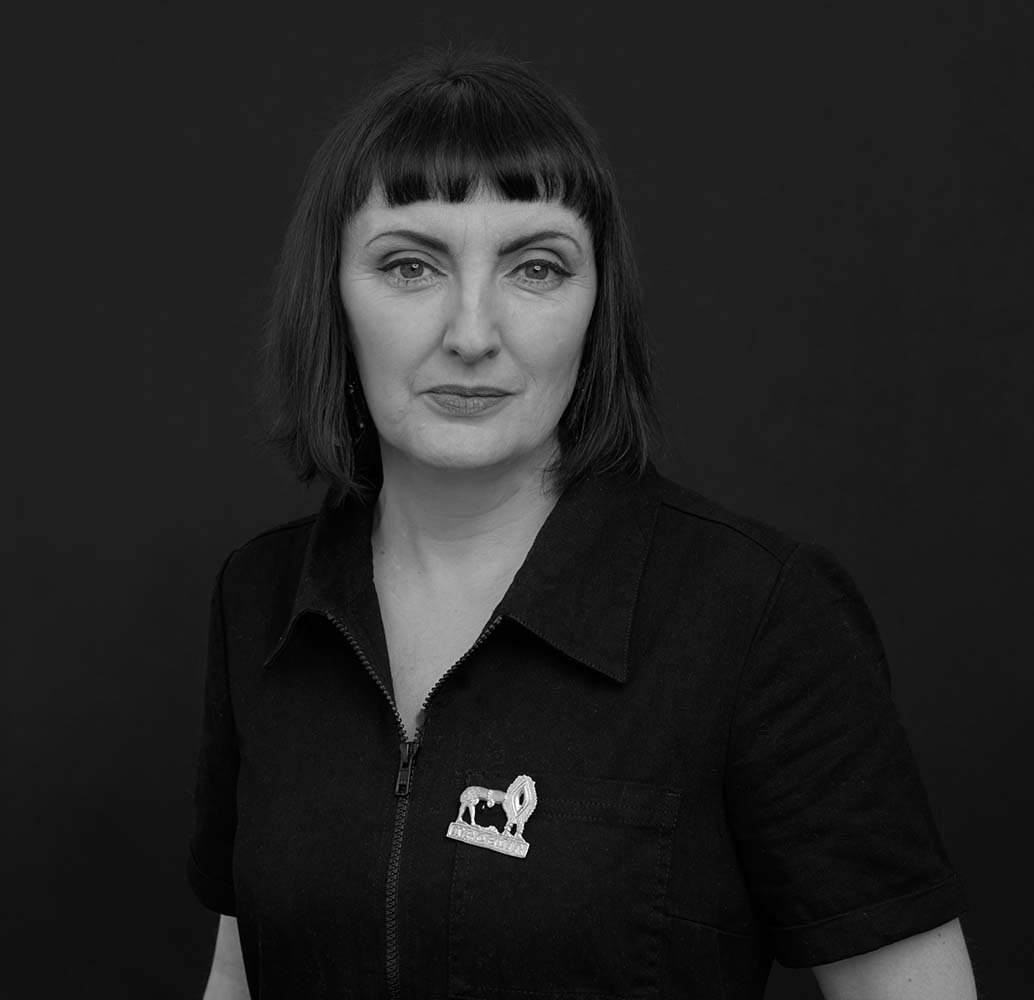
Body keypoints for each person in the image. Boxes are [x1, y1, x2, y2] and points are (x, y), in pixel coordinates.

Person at [188, 49, 977, 1000]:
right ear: (333, 300)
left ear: (596, 307)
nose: (472, 332)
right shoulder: (258, 601)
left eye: (535, 267)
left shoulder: (759, 615)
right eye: (409, 264)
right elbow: (243, 963)